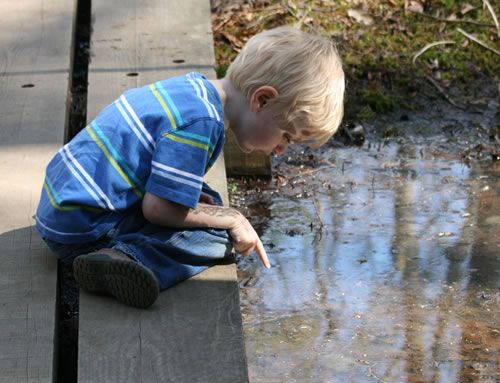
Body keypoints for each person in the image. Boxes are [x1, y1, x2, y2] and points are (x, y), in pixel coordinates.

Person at [35, 26, 345, 308]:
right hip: (83, 228)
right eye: (287, 137)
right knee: (218, 239)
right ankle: (123, 258)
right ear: (261, 100)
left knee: (209, 203)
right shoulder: (203, 123)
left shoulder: (194, 90)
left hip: (63, 204)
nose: (280, 150)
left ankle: (117, 254)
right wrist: (231, 219)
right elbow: (157, 210)